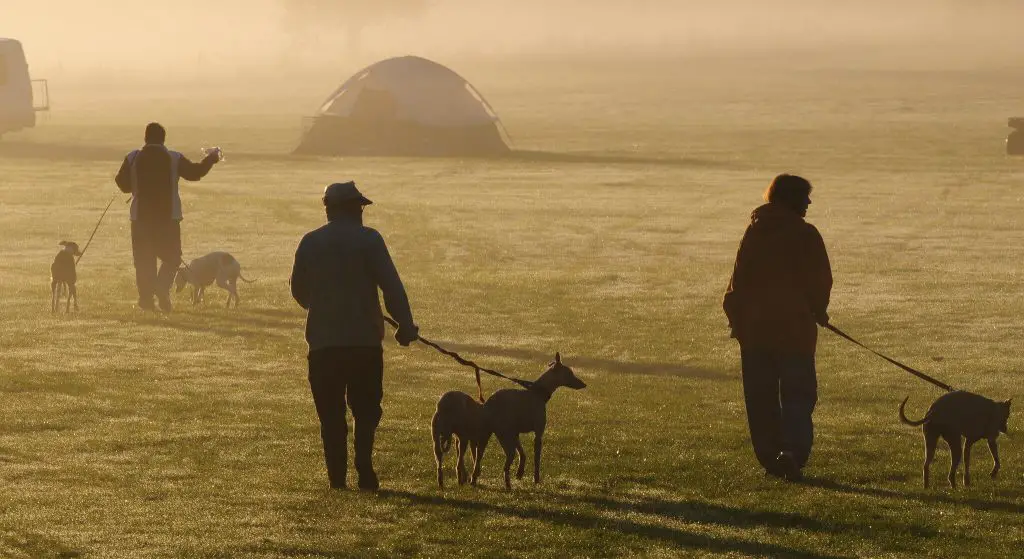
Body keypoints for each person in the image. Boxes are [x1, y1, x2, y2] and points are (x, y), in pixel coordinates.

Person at [290, 181, 419, 491]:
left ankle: (337, 478)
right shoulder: (369, 240)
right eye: (359, 207)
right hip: (364, 343)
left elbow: (298, 290)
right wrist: (405, 325)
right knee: (366, 410)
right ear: (352, 208)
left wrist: (320, 305)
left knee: (331, 415)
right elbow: (391, 286)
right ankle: (364, 467)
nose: (362, 212)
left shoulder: (310, 242)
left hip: (323, 344)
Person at [723, 174, 832, 482]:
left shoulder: (755, 232)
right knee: (797, 397)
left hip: (755, 334)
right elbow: (819, 279)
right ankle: (794, 454)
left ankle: (771, 458)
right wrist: (818, 310)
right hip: (794, 333)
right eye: (805, 197)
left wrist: (737, 319)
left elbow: (738, 280)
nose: (809, 203)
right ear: (791, 198)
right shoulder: (806, 234)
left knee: (761, 399)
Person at [115, 122, 220, 312]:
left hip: (140, 218)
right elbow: (195, 173)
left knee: (144, 260)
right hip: (168, 218)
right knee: (172, 258)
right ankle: (162, 287)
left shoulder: (133, 157)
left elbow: (122, 184)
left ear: (145, 138)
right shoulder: (173, 158)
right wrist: (211, 159)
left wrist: (135, 186)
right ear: (164, 139)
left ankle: (146, 300)